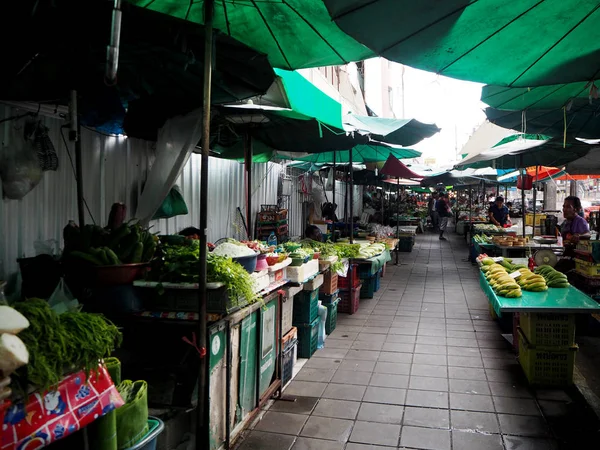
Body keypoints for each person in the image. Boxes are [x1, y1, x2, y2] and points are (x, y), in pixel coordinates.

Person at [554, 196, 590, 273]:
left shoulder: (580, 221)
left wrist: (579, 236)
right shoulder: (566, 222)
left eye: (568, 207)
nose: (564, 209)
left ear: (576, 209)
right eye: (564, 206)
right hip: (566, 254)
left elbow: (588, 235)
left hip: (576, 259)